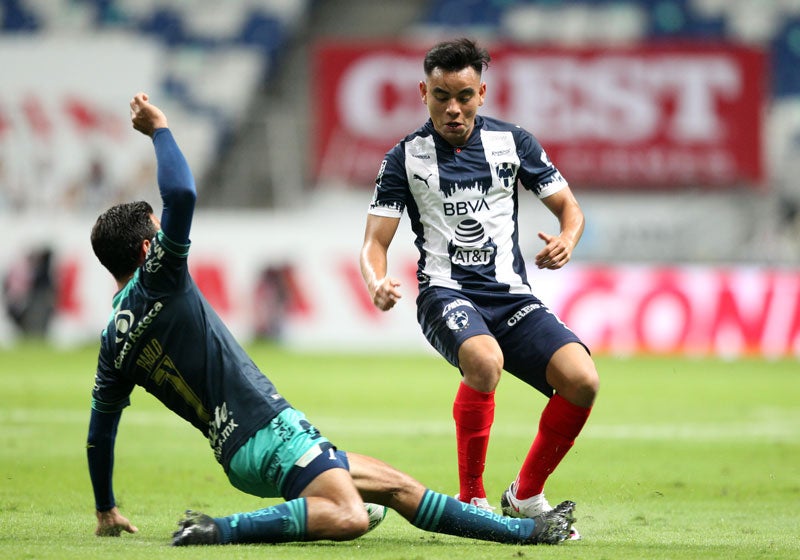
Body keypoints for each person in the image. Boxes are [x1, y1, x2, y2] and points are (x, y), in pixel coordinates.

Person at [86, 92, 577, 547]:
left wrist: (106, 507)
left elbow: (100, 431)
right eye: (158, 233)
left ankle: (528, 532)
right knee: (351, 515)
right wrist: (161, 131)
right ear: (148, 250)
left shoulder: (113, 340)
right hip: (266, 431)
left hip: (238, 449)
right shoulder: (159, 278)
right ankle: (216, 529)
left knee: (397, 489)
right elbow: (182, 196)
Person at [359, 38, 599, 539]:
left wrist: (567, 239)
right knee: (485, 361)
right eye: (441, 95)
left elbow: (569, 209)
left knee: (582, 380)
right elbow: (374, 243)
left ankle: (526, 493)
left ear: (482, 93)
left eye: (464, 96)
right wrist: (376, 281)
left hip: (512, 296)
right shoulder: (404, 157)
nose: (453, 108)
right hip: (445, 293)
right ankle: (471, 497)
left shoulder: (514, 143)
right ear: (423, 92)